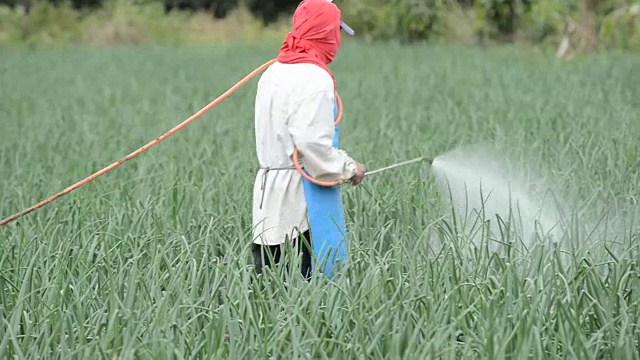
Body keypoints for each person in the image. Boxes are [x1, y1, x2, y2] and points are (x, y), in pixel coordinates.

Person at [251, 0, 365, 280]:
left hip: (266, 195)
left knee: (267, 290)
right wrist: (349, 169)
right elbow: (312, 144)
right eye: (335, 33)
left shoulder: (273, 72)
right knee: (307, 290)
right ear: (326, 32)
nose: (337, 41)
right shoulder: (315, 78)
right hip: (301, 199)